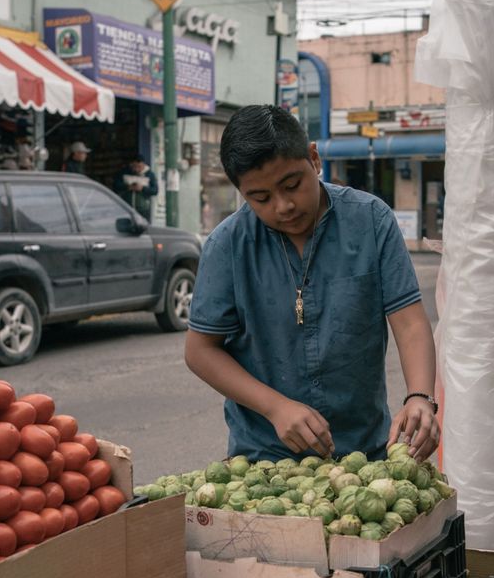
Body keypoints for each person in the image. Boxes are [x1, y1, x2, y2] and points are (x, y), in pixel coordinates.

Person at [185, 105, 439, 462]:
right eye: (261, 198)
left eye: (292, 185)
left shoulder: (371, 220)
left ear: (314, 159)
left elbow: (410, 323)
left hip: (365, 452)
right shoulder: (226, 246)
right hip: (264, 459)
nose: (283, 205)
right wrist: (275, 408)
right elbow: (200, 351)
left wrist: (420, 397)